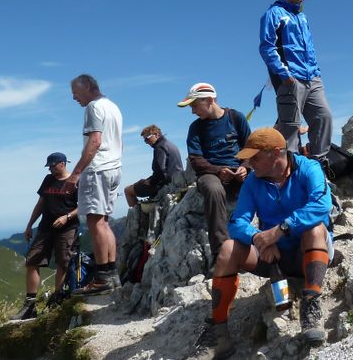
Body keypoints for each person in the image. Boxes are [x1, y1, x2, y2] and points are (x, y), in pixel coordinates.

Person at [196, 127, 333, 358]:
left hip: (307, 250)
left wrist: (279, 231)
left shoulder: (309, 168)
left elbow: (321, 205)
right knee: (229, 248)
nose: (249, 162)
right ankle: (218, 334)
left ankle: (311, 308)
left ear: (276, 152)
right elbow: (237, 222)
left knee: (316, 228)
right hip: (273, 258)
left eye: (255, 157)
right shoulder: (253, 181)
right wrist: (258, 239)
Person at [259, 0, 333, 166]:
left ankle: (320, 165)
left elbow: (310, 47)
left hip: (313, 77)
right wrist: (285, 75)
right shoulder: (273, 14)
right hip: (290, 79)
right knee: (291, 126)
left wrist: (316, 71)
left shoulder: (302, 16)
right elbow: (267, 47)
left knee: (323, 117)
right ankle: (291, 169)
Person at [64, 74, 123, 295]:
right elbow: (120, 142)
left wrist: (76, 172)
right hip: (113, 168)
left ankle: (101, 280)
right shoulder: (113, 107)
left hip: (98, 169)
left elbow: (95, 141)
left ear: (87, 86)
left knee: (95, 223)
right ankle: (111, 274)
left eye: (75, 92)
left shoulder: (93, 107)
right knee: (104, 222)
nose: (73, 97)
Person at [178, 82, 251, 258]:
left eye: (195, 105)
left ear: (210, 100)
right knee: (213, 189)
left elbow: (251, 147)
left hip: (238, 171)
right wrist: (219, 171)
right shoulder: (196, 128)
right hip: (211, 175)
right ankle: (222, 252)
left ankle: (264, 239)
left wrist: (245, 167)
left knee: (260, 183)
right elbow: (196, 160)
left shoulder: (236, 118)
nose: (193, 111)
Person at [11, 152, 80, 320]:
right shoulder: (48, 180)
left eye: (52, 165)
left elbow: (83, 205)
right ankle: (30, 305)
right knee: (32, 261)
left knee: (62, 263)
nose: (49, 168)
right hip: (45, 227)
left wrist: (66, 217)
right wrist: (29, 225)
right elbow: (41, 203)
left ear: (62, 164)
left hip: (67, 228)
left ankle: (57, 299)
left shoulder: (76, 181)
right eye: (49, 166)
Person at [123, 125, 184, 208]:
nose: (146, 142)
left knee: (127, 191)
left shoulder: (159, 147)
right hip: (177, 180)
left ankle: (137, 216)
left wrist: (150, 181)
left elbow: (160, 171)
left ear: (156, 134)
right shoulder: (170, 144)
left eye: (147, 138)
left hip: (164, 183)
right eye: (144, 140)